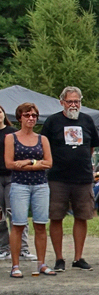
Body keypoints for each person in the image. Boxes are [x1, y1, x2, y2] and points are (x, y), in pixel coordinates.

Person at [41, 86, 99, 272]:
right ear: (62, 102)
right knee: (56, 217)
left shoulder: (87, 120)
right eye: (70, 101)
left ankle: (78, 257)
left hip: (82, 177)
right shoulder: (52, 122)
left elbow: (92, 148)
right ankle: (59, 258)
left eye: (77, 101)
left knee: (82, 217)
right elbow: (44, 146)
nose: (74, 105)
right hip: (57, 177)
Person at [6, 102, 53, 277]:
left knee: (40, 225)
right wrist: (37, 163)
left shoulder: (42, 139)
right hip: (19, 185)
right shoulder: (11, 138)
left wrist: (27, 162)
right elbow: (10, 163)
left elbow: (48, 163)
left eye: (33, 115)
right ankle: (15, 265)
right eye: (27, 115)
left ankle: (41, 263)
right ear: (20, 118)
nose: (31, 118)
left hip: (40, 185)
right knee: (18, 224)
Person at [0, 104, 15, 261]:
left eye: (0, 111)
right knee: (0, 214)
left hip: (11, 176)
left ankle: (22, 248)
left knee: (14, 212)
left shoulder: (12, 133)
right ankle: (3, 248)